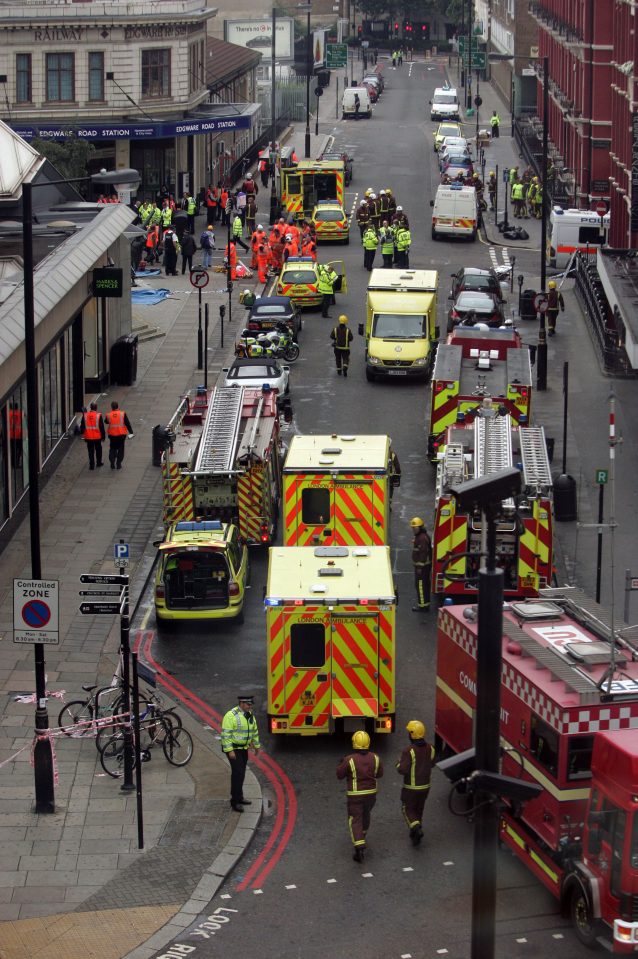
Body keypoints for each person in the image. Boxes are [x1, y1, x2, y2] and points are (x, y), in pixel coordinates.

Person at [336, 730, 383, 863]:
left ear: (354, 744)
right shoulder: (375, 757)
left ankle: (359, 845)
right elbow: (380, 774)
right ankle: (362, 835)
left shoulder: (349, 759)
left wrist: (341, 763)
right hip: (371, 794)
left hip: (355, 795)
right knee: (365, 815)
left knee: (355, 819)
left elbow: (339, 775)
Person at [396, 720, 435, 846]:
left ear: (412, 734)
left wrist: (397, 764)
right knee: (419, 808)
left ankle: (416, 827)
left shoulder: (409, 751)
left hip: (411, 788)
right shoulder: (431, 748)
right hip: (426, 787)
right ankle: (416, 831)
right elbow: (432, 763)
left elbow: (402, 770)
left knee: (407, 808)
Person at [221, 695, 260, 812]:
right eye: (248, 704)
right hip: (233, 749)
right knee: (237, 774)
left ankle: (240, 797)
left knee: (241, 773)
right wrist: (230, 751)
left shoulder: (249, 715)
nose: (250, 706)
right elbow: (226, 735)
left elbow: (254, 731)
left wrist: (256, 745)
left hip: (243, 749)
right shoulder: (230, 715)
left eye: (251, 704)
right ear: (241, 703)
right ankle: (235, 801)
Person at [410, 516, 432, 612]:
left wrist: (419, 567)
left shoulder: (422, 538)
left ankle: (422, 607)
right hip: (424, 567)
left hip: (422, 568)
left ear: (420, 527)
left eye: (415, 528)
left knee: (420, 586)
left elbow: (423, 553)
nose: (413, 530)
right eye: (412, 528)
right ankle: (425, 605)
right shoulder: (421, 536)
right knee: (424, 586)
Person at [105, 401, 134, 470]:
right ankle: (118, 464)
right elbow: (127, 423)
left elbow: (106, 421)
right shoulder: (122, 414)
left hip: (112, 435)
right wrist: (131, 432)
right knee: (121, 449)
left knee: (112, 449)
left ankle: (112, 462)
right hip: (121, 435)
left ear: (112, 407)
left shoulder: (108, 415)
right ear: (118, 406)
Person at [81, 402, 105, 470]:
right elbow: (101, 427)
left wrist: (83, 433)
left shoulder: (85, 415)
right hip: (97, 437)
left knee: (90, 451)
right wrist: (103, 437)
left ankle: (91, 465)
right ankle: (99, 463)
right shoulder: (98, 415)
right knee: (98, 450)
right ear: (96, 408)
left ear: (90, 408)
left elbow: (82, 426)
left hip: (88, 437)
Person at [8, 401, 23, 468]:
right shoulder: (20, 413)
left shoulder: (8, 414)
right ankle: (16, 463)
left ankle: (11, 463)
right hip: (19, 435)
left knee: (12, 450)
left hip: (10, 435)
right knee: (19, 450)